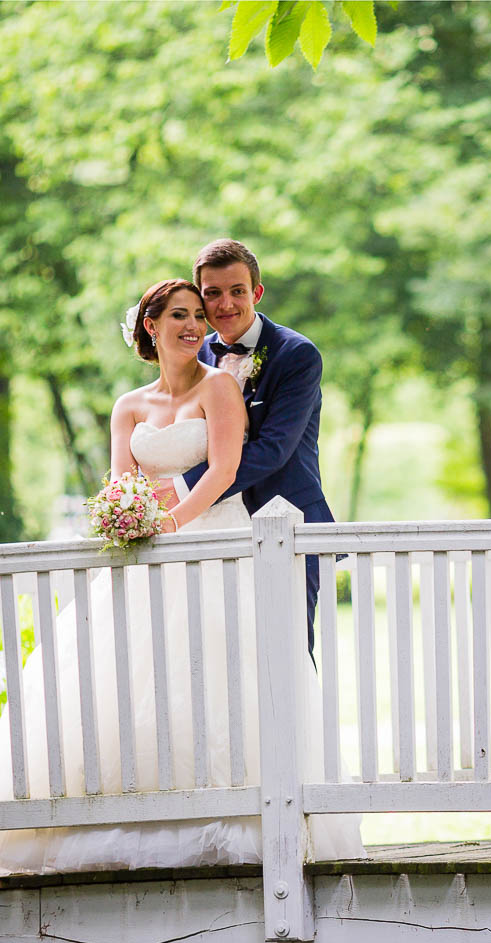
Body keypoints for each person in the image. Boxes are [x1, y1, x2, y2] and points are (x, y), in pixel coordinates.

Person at [0, 279, 362, 879]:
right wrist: (123, 515)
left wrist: (169, 524)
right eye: (179, 315)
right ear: (150, 327)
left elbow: (225, 469)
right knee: (123, 677)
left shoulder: (220, 387)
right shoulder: (128, 405)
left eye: (197, 315)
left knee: (223, 674)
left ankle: (240, 826)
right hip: (144, 553)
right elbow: (119, 481)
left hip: (214, 544)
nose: (194, 324)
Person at [157, 238, 334, 648]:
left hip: (285, 522)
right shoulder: (193, 354)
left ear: (256, 292)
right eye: (212, 293)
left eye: (237, 291)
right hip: (208, 531)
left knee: (285, 653)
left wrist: (182, 489)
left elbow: (274, 449)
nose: (225, 304)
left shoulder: (296, 355)